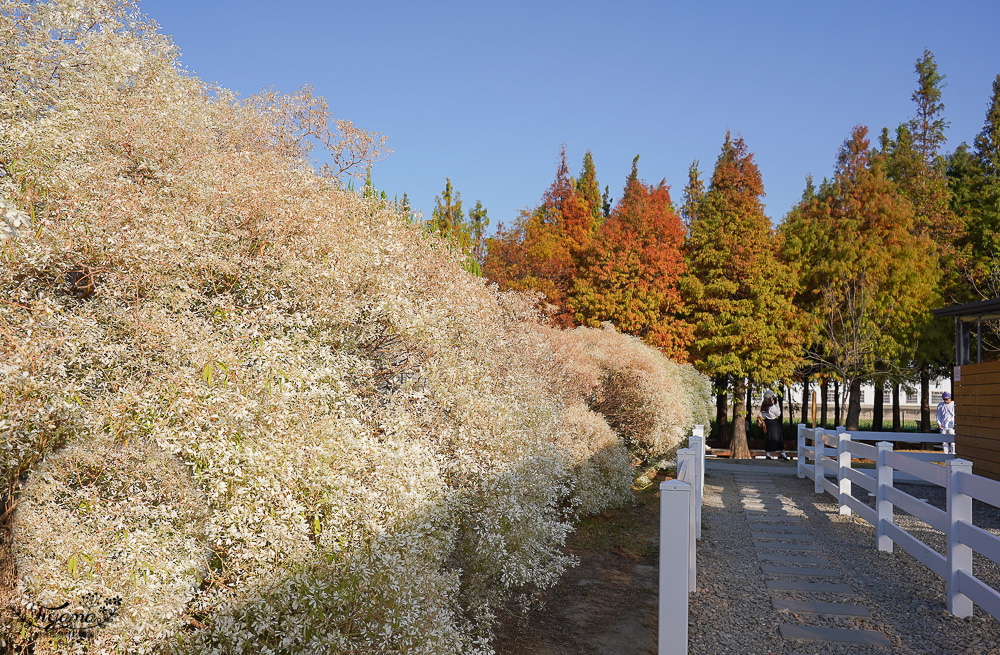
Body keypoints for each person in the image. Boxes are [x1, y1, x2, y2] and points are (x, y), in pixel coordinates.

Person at [758, 389, 788, 460]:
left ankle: (768, 454)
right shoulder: (772, 406)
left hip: (767, 423)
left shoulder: (764, 406)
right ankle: (783, 453)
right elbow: (778, 414)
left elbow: (763, 415)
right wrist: (777, 405)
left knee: (768, 438)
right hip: (774, 422)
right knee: (779, 438)